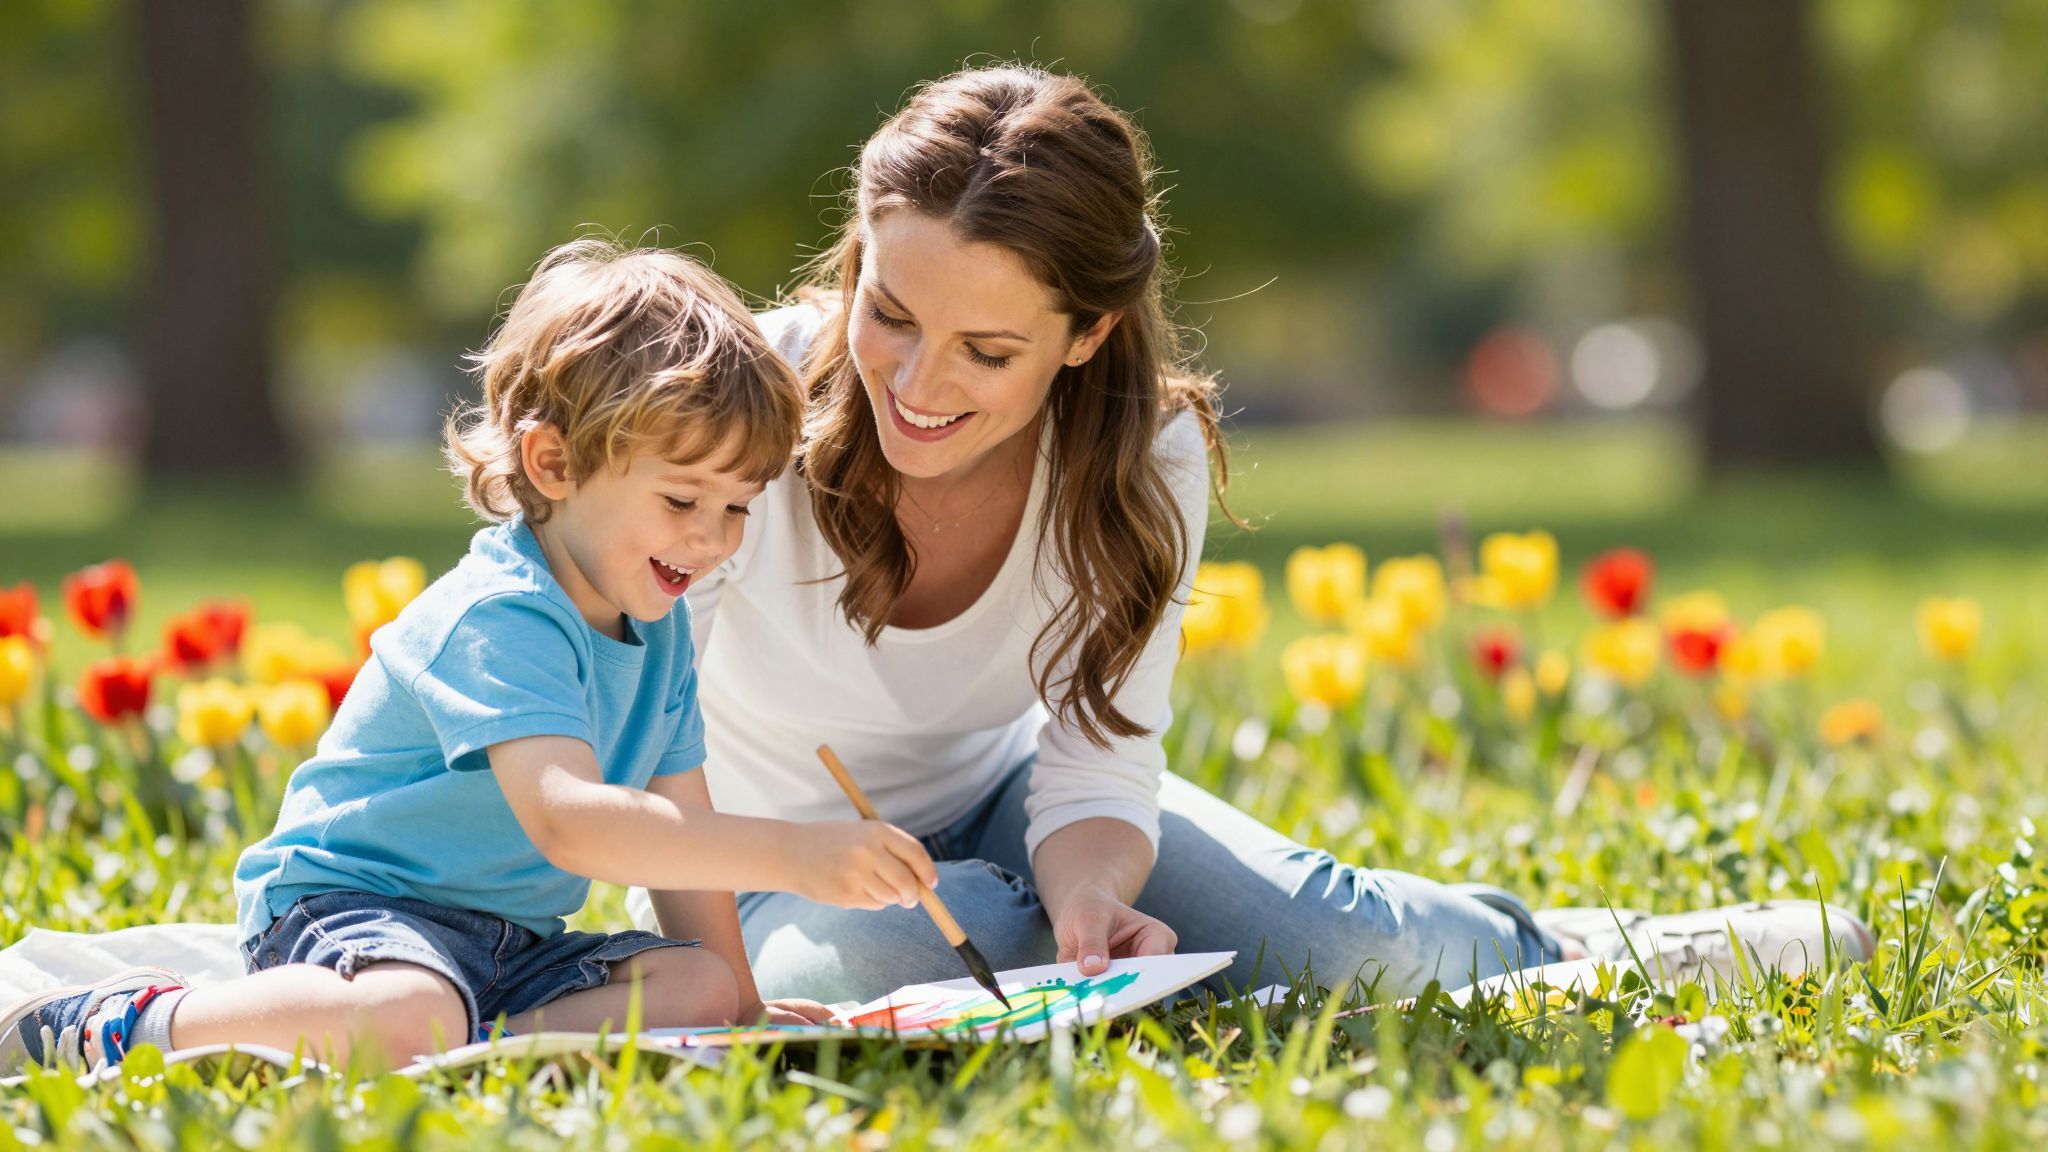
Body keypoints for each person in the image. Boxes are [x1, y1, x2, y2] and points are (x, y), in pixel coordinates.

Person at [626, 65, 1875, 1003]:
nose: (915, 382)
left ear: (1085, 336)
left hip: (1005, 798)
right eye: (887, 313)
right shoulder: (737, 413)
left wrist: (1088, 900)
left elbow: (1095, 761)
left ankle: (1571, 945)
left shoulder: (1134, 457)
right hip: (758, 855)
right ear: (854, 266)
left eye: (987, 351)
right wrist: (762, 908)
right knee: (902, 956)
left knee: (1350, 951)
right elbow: (641, 740)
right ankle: (1002, 925)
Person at [0, 239, 945, 1075]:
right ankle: (125, 1025)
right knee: (407, 1008)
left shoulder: (655, 628)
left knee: (693, 992)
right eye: (682, 501)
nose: (712, 540)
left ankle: (453, 1044)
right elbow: (572, 823)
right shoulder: (505, 615)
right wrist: (795, 856)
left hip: (509, 945)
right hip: (355, 908)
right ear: (553, 465)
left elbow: (681, 834)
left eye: (737, 507)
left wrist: (744, 1009)